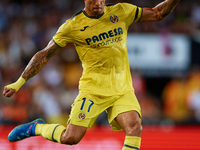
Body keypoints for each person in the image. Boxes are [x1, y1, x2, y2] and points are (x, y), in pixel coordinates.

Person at [3, 0, 180, 149]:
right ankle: (37, 127)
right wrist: (19, 82)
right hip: (93, 90)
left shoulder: (121, 11)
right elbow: (45, 54)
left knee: (134, 126)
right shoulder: (73, 25)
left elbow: (158, 13)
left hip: (122, 88)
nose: (97, 3)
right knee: (70, 138)